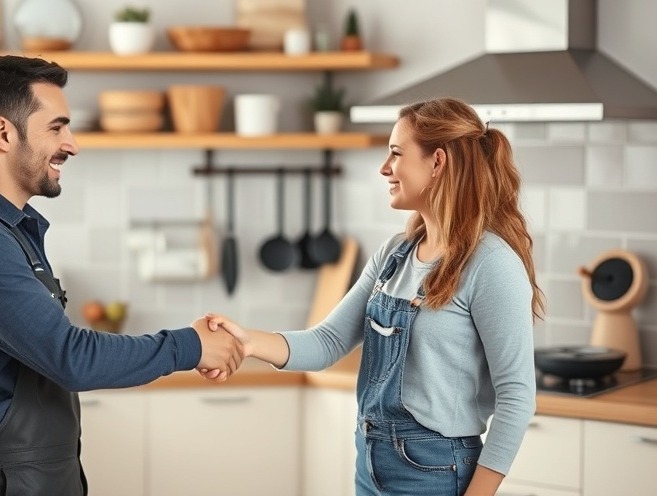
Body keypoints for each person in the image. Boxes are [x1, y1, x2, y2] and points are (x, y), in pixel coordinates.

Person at [0, 54, 243, 496]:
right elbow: (70, 357)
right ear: (3, 133)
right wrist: (191, 344)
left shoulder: (3, 226)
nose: (72, 144)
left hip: (24, 477)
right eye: (56, 127)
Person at [203, 97, 545, 496]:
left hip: (435, 470)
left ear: (438, 162)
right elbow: (327, 342)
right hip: (371, 459)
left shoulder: (491, 264)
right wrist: (247, 341)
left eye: (396, 154)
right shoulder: (395, 254)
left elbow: (517, 395)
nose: (385, 169)